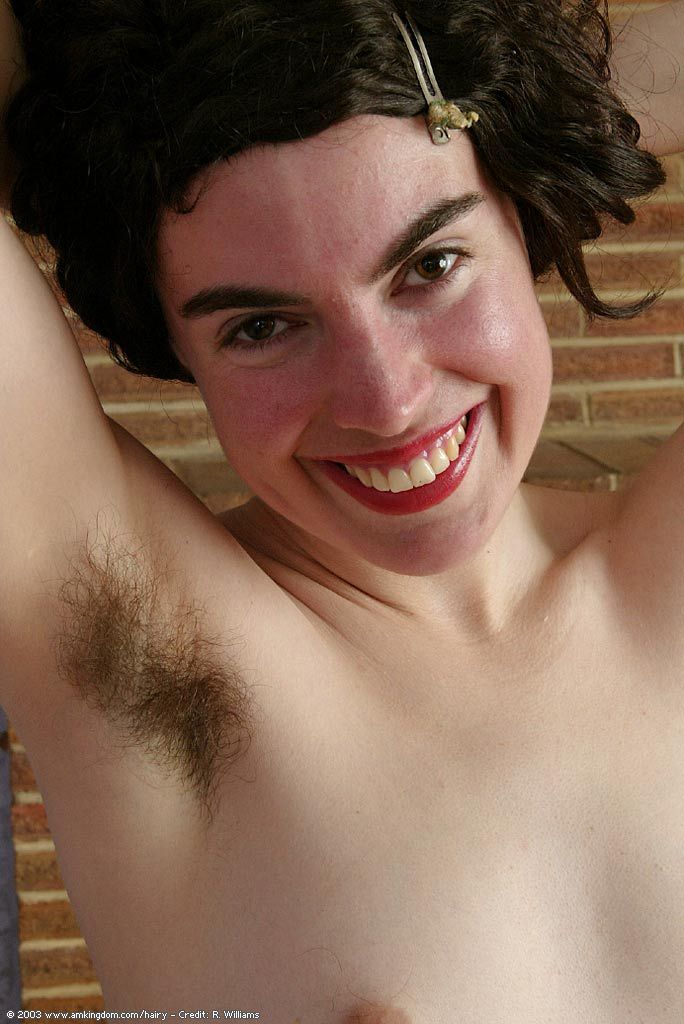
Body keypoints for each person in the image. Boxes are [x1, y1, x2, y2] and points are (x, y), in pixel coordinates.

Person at [0, 0, 683, 1019]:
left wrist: (470, 89)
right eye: (261, 326)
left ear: (523, 212)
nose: (387, 401)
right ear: (178, 348)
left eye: (431, 265)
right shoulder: (143, 658)